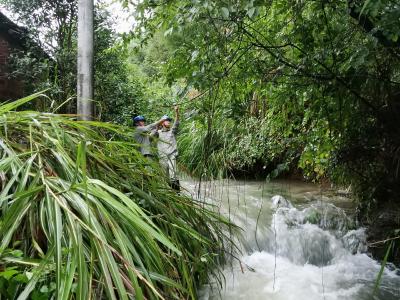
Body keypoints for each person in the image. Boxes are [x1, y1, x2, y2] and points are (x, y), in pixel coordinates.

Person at [156, 106, 180, 190]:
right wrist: (157, 126)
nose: (169, 122)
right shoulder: (158, 133)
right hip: (162, 157)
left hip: (171, 155)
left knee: (173, 175)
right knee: (165, 178)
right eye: (167, 121)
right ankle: (169, 195)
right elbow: (149, 137)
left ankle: (177, 193)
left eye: (169, 121)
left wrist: (177, 112)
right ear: (162, 123)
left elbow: (176, 122)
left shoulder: (172, 131)